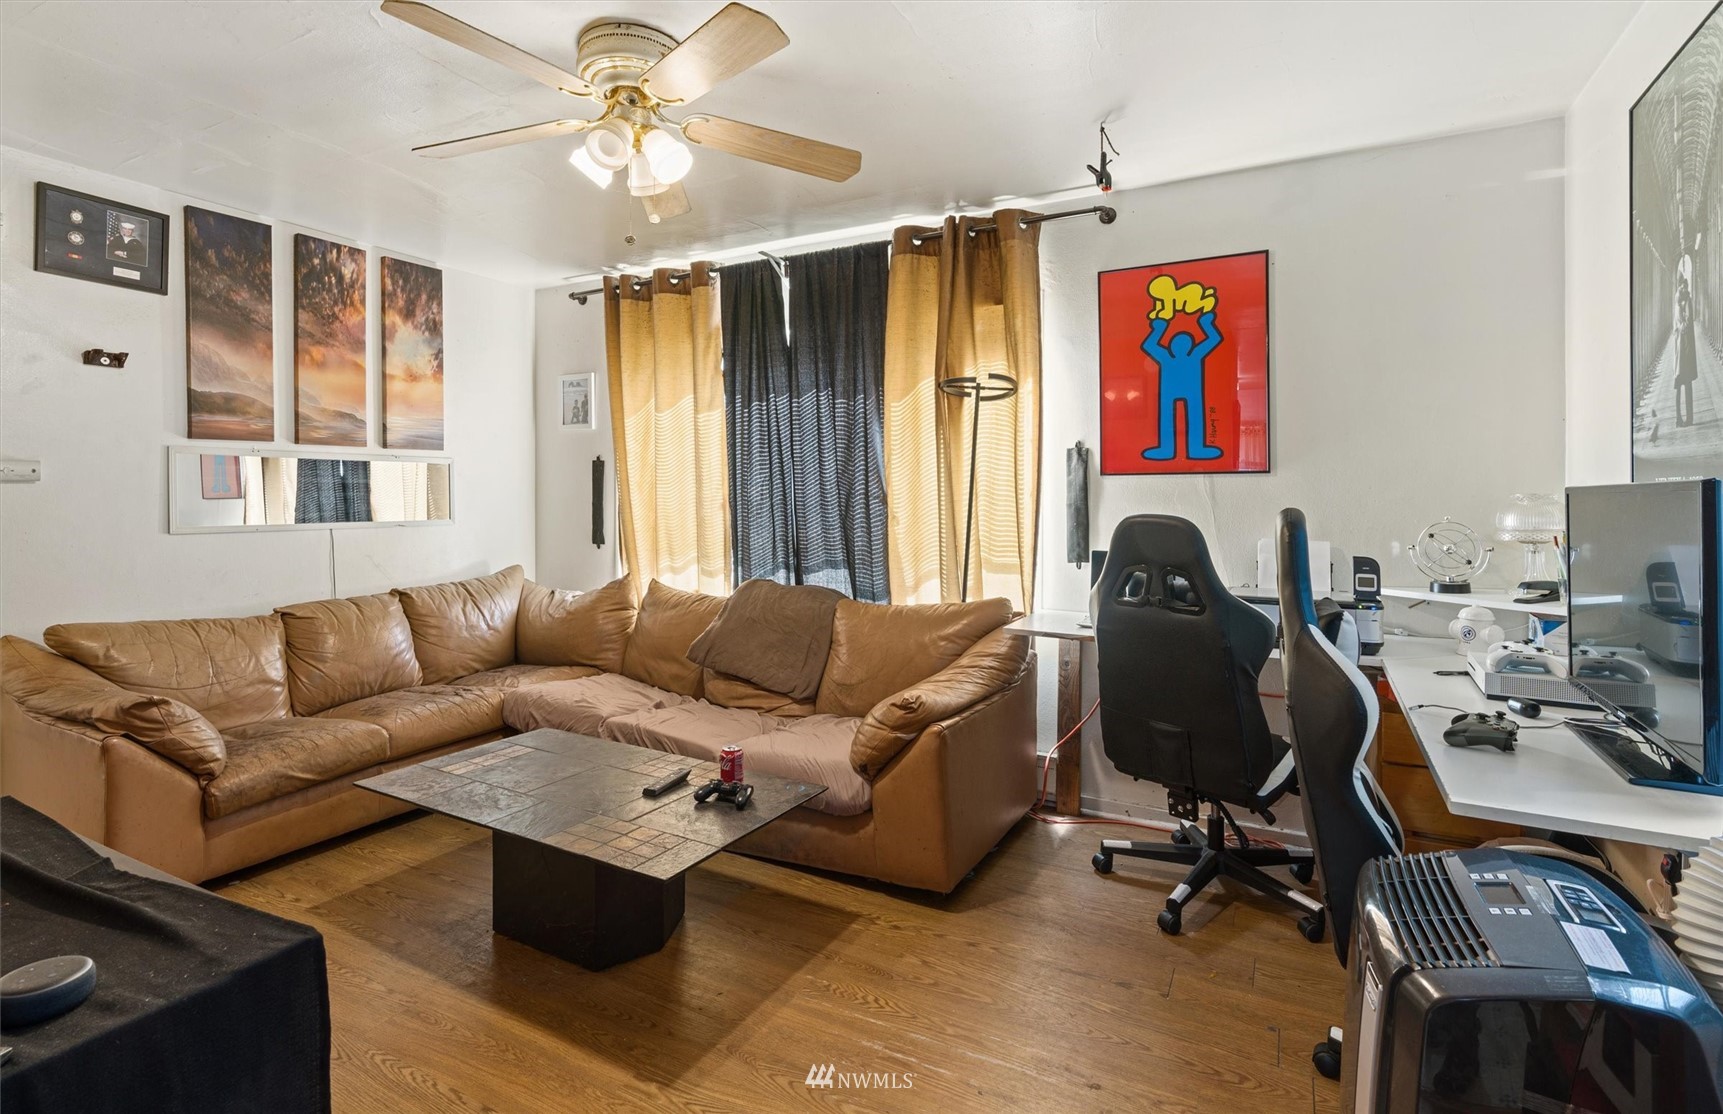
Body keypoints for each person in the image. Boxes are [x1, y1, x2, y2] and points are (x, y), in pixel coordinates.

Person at [1141, 309, 1225, 461]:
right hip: (1170, 391)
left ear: (1190, 345)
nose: (1180, 345)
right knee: (1167, 417)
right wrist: (1159, 329)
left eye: (1184, 342)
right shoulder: (1168, 356)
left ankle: (1196, 449)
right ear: (1171, 346)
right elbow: (1149, 345)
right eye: (1176, 342)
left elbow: (1214, 338)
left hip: (1191, 391)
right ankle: (1166, 449)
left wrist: (1206, 324)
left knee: (1194, 417)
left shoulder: (1194, 354)